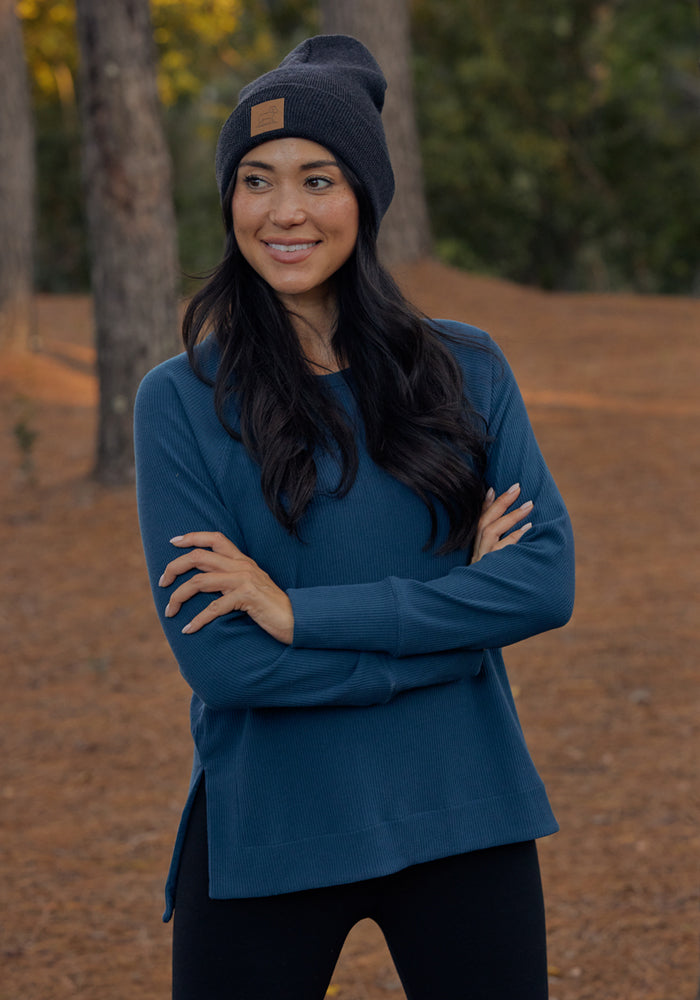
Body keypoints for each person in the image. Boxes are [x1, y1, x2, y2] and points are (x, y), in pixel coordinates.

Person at [134, 34, 575, 1000]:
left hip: (465, 807)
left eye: (318, 179)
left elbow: (542, 584)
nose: (284, 211)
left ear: (365, 198)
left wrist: (300, 614)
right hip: (271, 826)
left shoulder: (466, 368)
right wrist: (458, 633)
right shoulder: (180, 400)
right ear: (229, 202)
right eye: (256, 181)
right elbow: (226, 663)